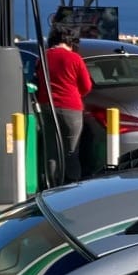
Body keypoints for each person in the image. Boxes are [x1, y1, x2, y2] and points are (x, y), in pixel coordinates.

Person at [37, 24, 94, 182]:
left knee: (52, 150)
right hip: (71, 108)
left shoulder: (42, 58)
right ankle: (72, 186)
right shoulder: (74, 58)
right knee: (71, 152)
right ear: (71, 42)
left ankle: (52, 184)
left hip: (47, 106)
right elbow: (86, 86)